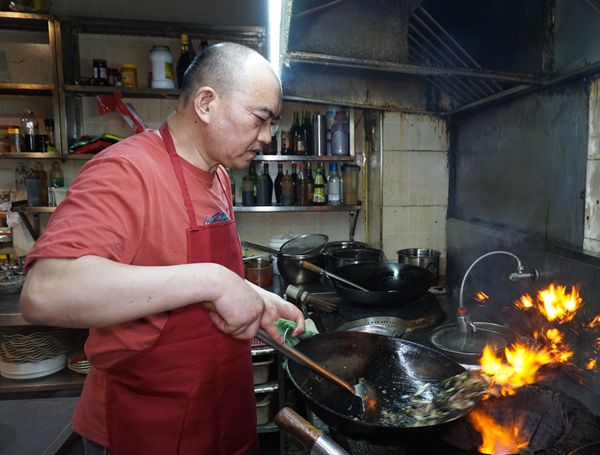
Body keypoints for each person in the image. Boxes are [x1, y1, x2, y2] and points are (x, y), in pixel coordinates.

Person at [20, 43, 305, 455]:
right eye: (261, 119)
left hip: (222, 415)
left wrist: (258, 298)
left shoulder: (218, 176)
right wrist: (214, 280)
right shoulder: (127, 170)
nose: (267, 136)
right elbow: (44, 292)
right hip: (146, 425)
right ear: (206, 103)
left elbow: (183, 273)